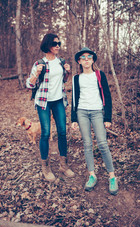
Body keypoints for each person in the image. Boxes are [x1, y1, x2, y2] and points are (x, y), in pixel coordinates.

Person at [26, 33, 75, 182]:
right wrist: (37, 73)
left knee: (62, 131)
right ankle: (45, 167)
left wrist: (68, 72)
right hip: (43, 102)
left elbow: (64, 80)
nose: (58, 46)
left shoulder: (61, 62)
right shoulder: (39, 63)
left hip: (59, 100)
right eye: (55, 44)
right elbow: (29, 84)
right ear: (48, 45)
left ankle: (63, 165)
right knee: (46, 133)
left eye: (59, 43)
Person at [71, 47, 118, 195]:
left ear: (93, 60)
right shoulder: (76, 78)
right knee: (87, 144)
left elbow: (108, 96)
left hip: (98, 112)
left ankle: (112, 177)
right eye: (83, 57)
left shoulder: (99, 75)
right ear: (79, 61)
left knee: (102, 143)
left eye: (89, 57)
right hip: (82, 112)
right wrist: (74, 119)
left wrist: (107, 117)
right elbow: (74, 99)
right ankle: (92, 175)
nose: (86, 60)